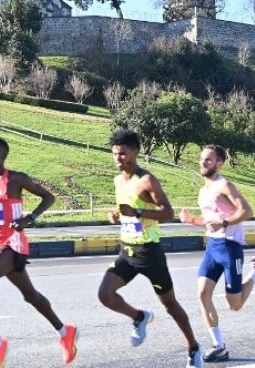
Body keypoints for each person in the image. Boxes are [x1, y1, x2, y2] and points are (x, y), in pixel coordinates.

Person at [0, 137, 78, 368]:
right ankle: (66, 332)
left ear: (2, 156)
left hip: (12, 245)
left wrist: (30, 218)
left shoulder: (15, 179)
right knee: (30, 296)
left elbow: (49, 197)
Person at [97, 129, 204, 368]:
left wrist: (137, 212)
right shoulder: (117, 180)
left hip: (149, 253)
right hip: (127, 250)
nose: (118, 158)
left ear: (135, 152)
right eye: (114, 154)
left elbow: (167, 212)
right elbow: (127, 211)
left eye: (123, 154)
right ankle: (139, 316)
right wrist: (117, 217)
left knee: (170, 305)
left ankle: (194, 348)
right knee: (105, 295)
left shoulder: (146, 180)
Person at [179, 145, 255, 363]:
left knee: (235, 305)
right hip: (212, 248)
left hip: (231, 247)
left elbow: (247, 211)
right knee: (202, 294)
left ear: (219, 163)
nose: (203, 163)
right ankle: (219, 346)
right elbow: (209, 222)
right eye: (202, 159)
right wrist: (191, 220)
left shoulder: (225, 185)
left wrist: (224, 221)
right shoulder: (203, 191)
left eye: (209, 160)